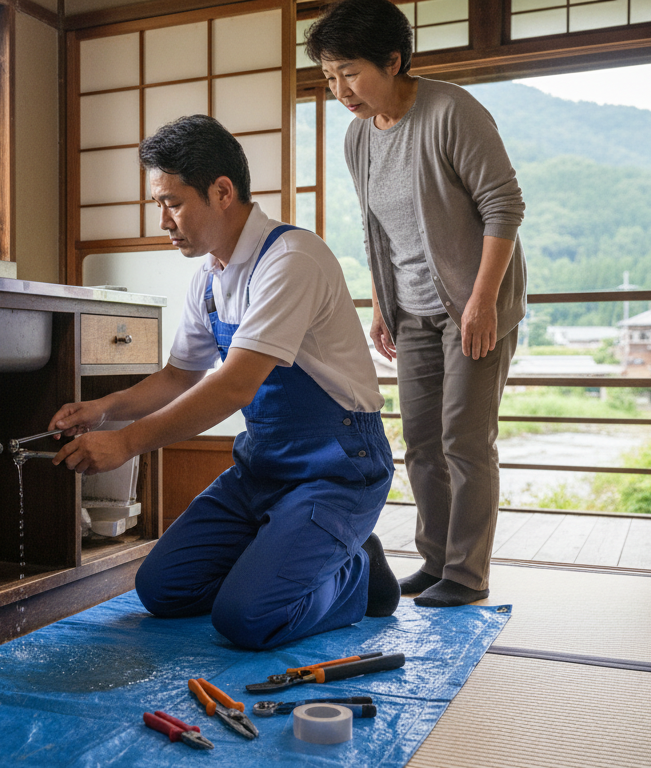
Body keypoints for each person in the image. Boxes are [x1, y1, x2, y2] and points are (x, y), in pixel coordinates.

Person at [47, 115, 399, 650]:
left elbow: (234, 386)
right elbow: (178, 376)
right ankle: (292, 552)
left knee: (248, 620)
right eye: (157, 204)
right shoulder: (208, 280)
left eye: (172, 202)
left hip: (339, 468)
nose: (163, 219)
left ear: (222, 191)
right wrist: (104, 409)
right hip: (263, 469)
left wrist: (126, 442)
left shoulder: (291, 259)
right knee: (162, 589)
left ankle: (356, 574)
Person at [305, 0, 526, 608]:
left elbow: (504, 206)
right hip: (410, 309)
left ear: (393, 60)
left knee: (464, 437)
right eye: (328, 76)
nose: (339, 89)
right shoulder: (358, 138)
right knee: (422, 441)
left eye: (350, 71)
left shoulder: (452, 111)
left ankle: (468, 573)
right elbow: (378, 227)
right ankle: (435, 562)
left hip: (473, 303)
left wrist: (481, 304)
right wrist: (381, 305)